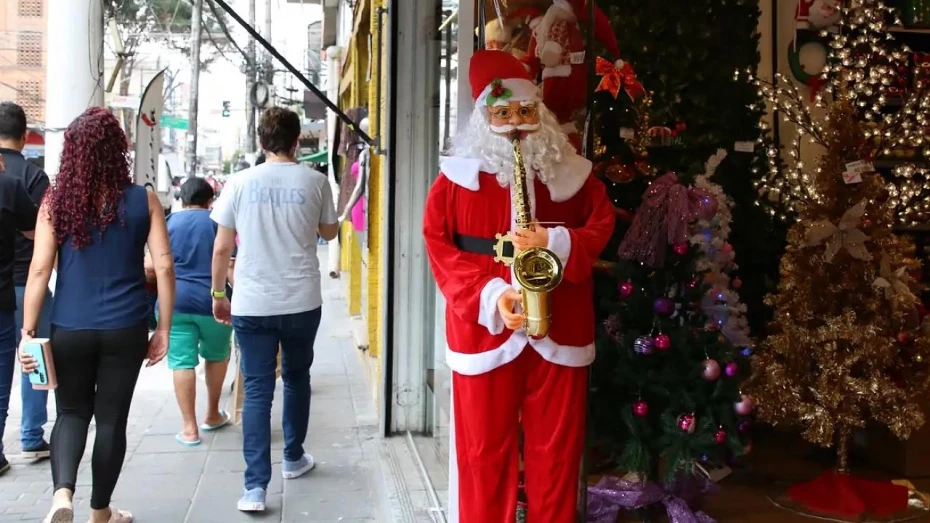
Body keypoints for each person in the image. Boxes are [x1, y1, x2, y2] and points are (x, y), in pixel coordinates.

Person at [422, 50, 615, 522]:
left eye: (525, 112)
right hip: (485, 330)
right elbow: (439, 247)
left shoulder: (573, 173)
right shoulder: (453, 181)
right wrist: (491, 295)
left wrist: (555, 241)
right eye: (503, 113)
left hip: (560, 325)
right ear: (484, 116)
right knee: (482, 452)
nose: (515, 125)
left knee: (558, 454)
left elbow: (602, 223)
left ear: (541, 113)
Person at [19, 107, 175, 523]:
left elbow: (39, 270)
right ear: (117, 151)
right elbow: (163, 266)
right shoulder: (143, 199)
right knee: (110, 420)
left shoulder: (55, 202)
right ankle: (100, 512)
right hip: (125, 328)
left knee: (70, 412)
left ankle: (62, 496)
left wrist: (28, 332)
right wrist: (163, 327)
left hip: (69, 325)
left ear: (71, 152)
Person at [210, 106, 338, 513]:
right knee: (298, 377)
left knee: (258, 389)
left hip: (252, 301)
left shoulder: (239, 182)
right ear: (297, 140)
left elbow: (221, 246)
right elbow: (329, 231)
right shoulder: (316, 181)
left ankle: (254, 488)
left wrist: (217, 294)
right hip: (301, 300)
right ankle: (294, 457)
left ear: (261, 142)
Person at [147, 178, 232, 446]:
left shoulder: (168, 222)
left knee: (182, 362)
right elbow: (230, 264)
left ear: (181, 199)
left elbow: (151, 266)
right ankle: (212, 414)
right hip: (214, 302)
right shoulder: (218, 222)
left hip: (175, 303)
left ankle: (189, 428)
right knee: (217, 356)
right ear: (210, 200)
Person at [0, 102, 52, 461]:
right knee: (35, 355)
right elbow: (45, 235)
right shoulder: (35, 176)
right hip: (28, 283)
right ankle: (32, 435)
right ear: (23, 135)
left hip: (6, 288)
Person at [0, 153, 39, 476]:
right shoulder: (12, 184)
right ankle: (26, 437)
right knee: (7, 375)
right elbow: (35, 232)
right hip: (12, 291)